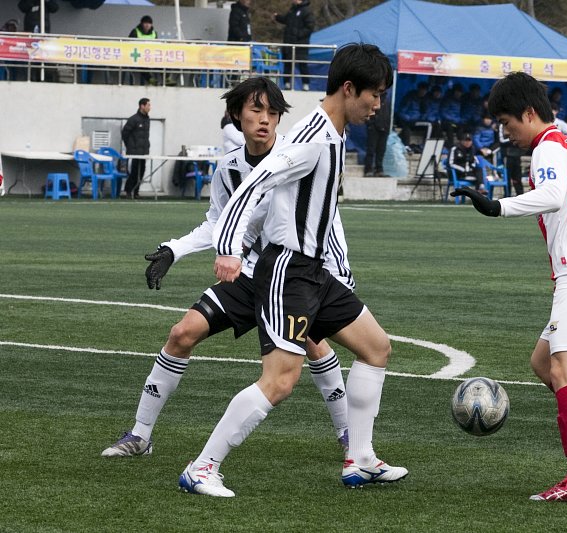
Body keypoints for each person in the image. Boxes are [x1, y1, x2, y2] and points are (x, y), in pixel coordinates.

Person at [179, 43, 406, 498]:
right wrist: (228, 247)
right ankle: (202, 468)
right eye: (374, 95)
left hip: (316, 274)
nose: (378, 106)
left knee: (376, 348)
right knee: (281, 380)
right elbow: (254, 183)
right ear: (348, 88)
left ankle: (360, 459)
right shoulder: (313, 139)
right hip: (288, 272)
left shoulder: (333, 132)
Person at [102, 77, 352, 459]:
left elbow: (326, 220)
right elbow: (217, 223)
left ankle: (349, 436)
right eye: (256, 110)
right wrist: (173, 249)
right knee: (182, 333)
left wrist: (339, 272)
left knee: (315, 347)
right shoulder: (229, 168)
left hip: (293, 278)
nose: (265, 119)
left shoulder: (298, 155)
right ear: (237, 114)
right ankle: (140, 435)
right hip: (250, 275)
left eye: (273, 112)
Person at [450, 71, 567, 503]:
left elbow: (554, 194)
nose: (506, 133)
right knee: (543, 363)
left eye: (507, 123)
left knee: (564, 371)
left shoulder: (549, 148)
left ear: (529, 113)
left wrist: (497, 206)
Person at [274, 0, 314, 91]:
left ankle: (305, 84)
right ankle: (287, 84)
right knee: (288, 63)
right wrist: (278, 17)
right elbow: (286, 20)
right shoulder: (292, 10)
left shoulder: (306, 11)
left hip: (301, 44)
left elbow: (310, 27)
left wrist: (297, 34)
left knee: (302, 64)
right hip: (289, 43)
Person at [121, 98, 151, 199]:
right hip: (134, 152)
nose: (149, 108)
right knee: (134, 172)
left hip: (143, 152)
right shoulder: (133, 119)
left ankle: (136, 192)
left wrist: (147, 147)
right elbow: (125, 133)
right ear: (142, 106)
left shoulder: (147, 119)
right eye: (148, 105)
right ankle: (128, 191)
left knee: (141, 171)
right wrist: (130, 146)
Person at [364, 93, 391, 176]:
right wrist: (370, 124)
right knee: (371, 149)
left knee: (381, 150)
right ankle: (368, 169)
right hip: (374, 128)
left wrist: (387, 127)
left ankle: (379, 169)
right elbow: (367, 113)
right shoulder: (372, 99)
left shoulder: (387, 100)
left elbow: (388, 114)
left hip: (384, 129)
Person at [129, 16, 158, 86]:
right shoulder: (135, 31)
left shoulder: (154, 33)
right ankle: (150, 79)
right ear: (142, 24)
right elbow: (129, 43)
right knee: (142, 63)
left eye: (149, 23)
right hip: (138, 56)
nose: (147, 25)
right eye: (145, 23)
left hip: (151, 56)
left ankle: (166, 78)